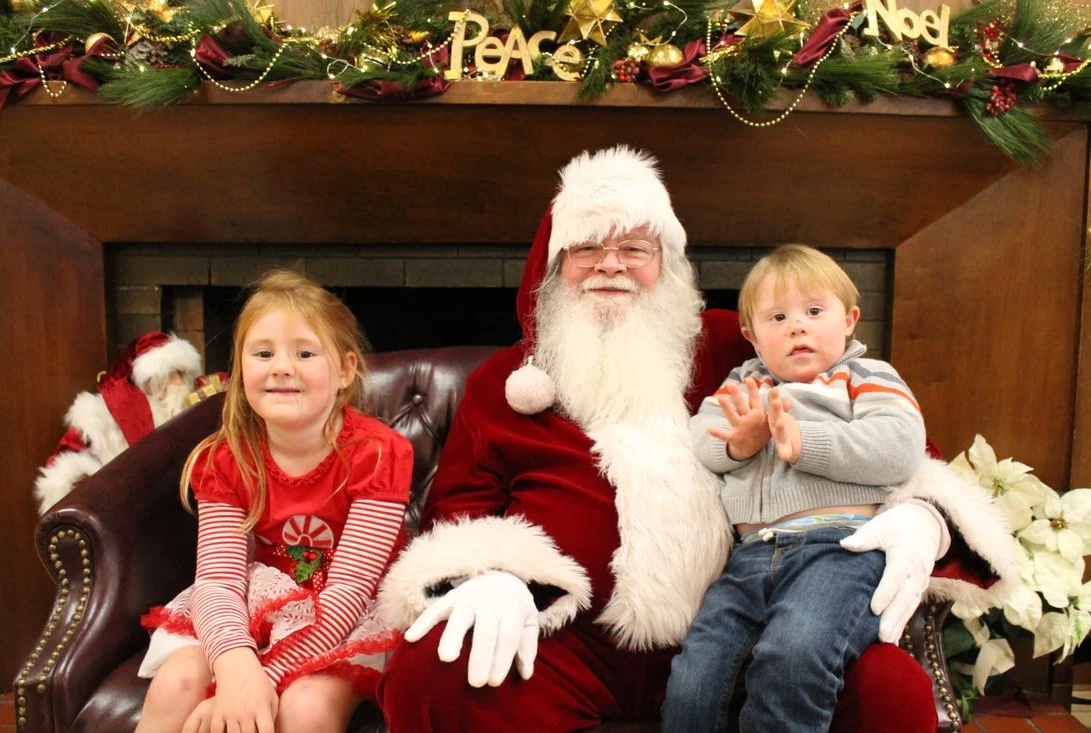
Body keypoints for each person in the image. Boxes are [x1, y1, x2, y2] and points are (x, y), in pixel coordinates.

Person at [376, 146, 1017, 731]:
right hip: (566, 645)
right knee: (429, 672)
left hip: (753, 631)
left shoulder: (735, 344)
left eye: (635, 247)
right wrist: (491, 578)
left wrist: (923, 516)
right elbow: (453, 518)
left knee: (888, 689)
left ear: (668, 264)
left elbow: (887, 428)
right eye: (587, 249)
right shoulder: (504, 385)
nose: (611, 266)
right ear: (551, 269)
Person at [662, 244, 932, 732]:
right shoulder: (742, 383)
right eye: (778, 317)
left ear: (849, 319)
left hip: (838, 551)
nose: (797, 327)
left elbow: (899, 448)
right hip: (748, 559)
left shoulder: (864, 377)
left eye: (813, 311)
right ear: (752, 335)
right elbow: (701, 440)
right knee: (694, 678)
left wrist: (807, 443)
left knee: (794, 654)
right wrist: (741, 444)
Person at [134, 270, 413, 733]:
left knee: (304, 705)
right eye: (263, 353)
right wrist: (235, 669)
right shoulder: (224, 458)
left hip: (345, 613)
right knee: (177, 683)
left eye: (304, 353)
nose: (282, 366)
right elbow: (219, 583)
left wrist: (260, 679)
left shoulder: (379, 454)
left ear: (344, 370)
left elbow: (348, 595)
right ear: (241, 370)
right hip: (256, 603)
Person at [34, 331, 203, 514]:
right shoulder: (100, 416)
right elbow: (63, 466)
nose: (179, 382)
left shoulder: (197, 404)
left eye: (183, 373)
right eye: (170, 374)